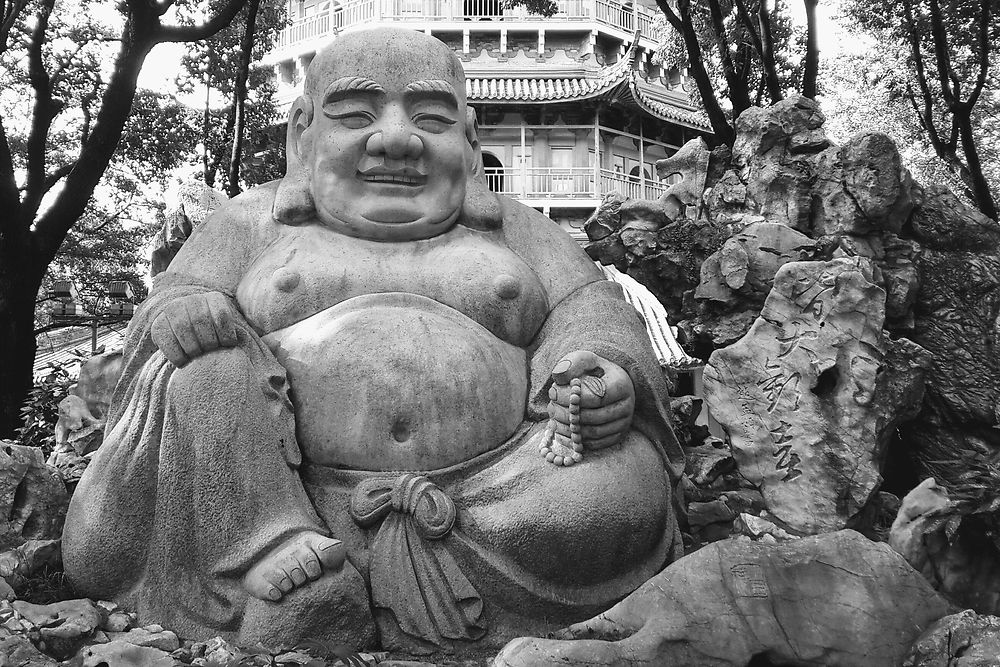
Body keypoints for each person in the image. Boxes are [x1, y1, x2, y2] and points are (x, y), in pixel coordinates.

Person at [62, 27, 683, 654]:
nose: (395, 139)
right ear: (300, 134)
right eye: (355, 115)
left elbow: (591, 308)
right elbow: (167, 303)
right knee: (204, 371)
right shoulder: (252, 222)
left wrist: (601, 372)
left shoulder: (518, 231)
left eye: (432, 119)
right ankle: (268, 548)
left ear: (469, 142)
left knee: (624, 487)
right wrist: (185, 310)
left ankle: (335, 585)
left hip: (494, 496)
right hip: (274, 490)